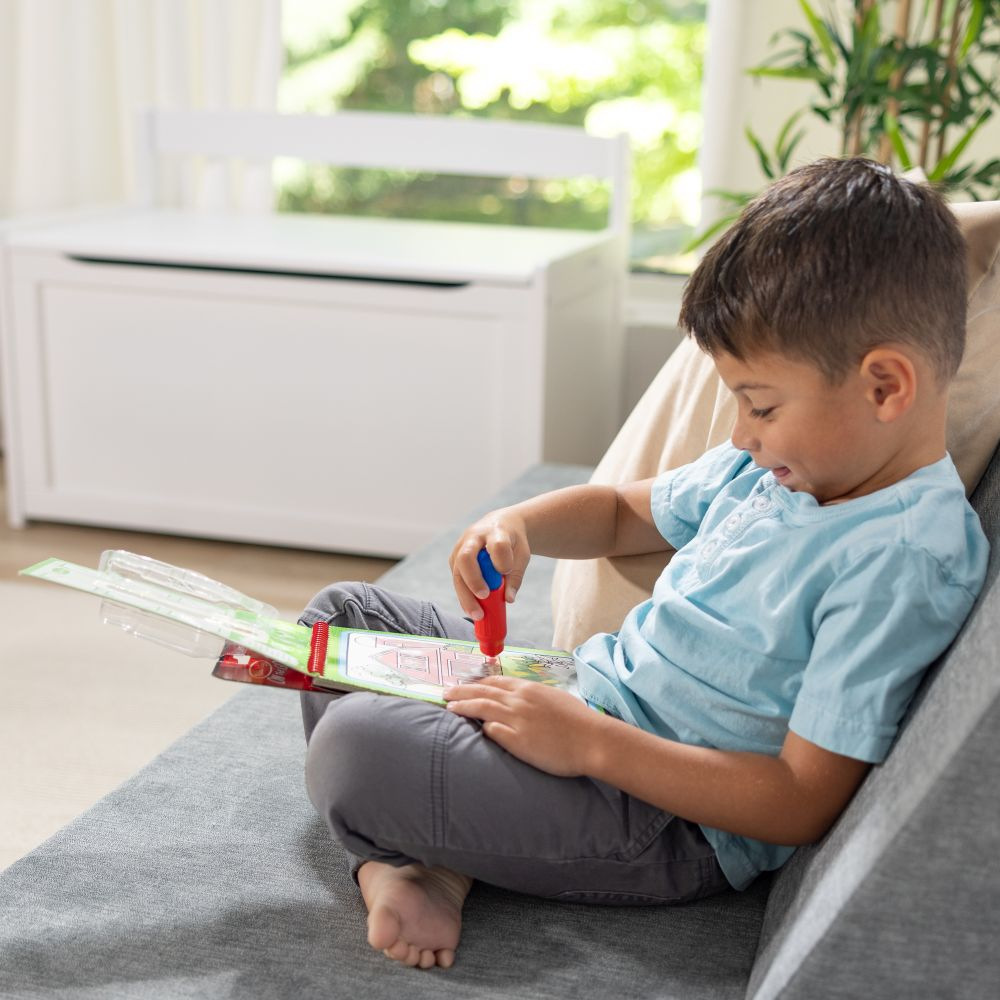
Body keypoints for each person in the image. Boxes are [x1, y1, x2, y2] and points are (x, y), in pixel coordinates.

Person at [299, 157, 990, 971]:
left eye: (761, 404)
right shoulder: (778, 468)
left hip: (658, 818)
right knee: (340, 620)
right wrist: (517, 525)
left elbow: (801, 800)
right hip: (583, 695)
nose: (741, 434)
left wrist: (588, 745)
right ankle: (426, 859)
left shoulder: (902, 559)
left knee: (355, 746)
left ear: (885, 386)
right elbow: (623, 513)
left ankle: (405, 855)